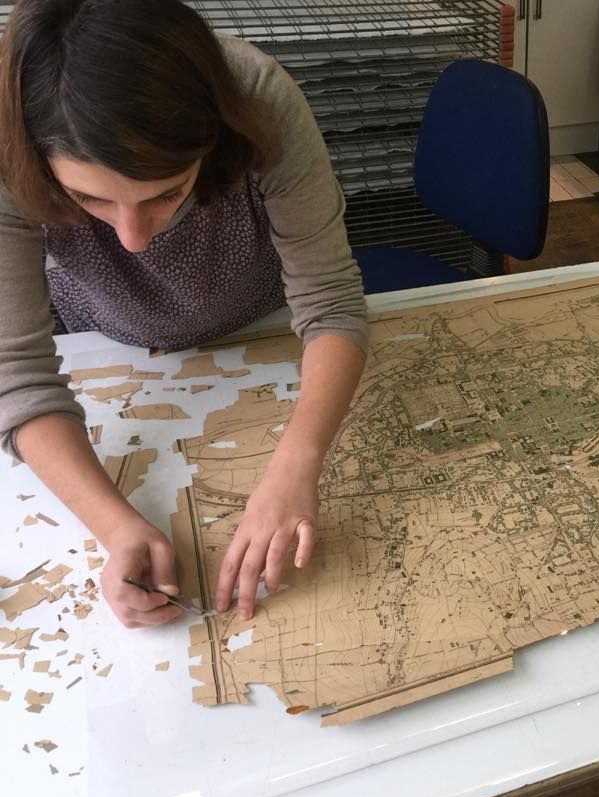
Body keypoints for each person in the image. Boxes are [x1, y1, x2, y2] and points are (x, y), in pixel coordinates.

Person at [0, 0, 368, 628]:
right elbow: (17, 376)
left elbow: (330, 302)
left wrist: (296, 464)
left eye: (167, 191)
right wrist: (114, 527)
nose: (134, 239)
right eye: (88, 197)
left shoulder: (257, 96)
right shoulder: (5, 142)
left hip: (262, 324)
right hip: (109, 335)